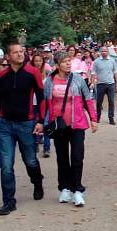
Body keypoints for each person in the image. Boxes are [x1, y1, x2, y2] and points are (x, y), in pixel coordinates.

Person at [0, 43, 46, 216]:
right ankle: (9, 201)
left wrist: (41, 121)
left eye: (22, 52)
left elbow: (41, 97)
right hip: (5, 124)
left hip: (26, 123)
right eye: (16, 52)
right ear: (8, 56)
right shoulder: (2, 75)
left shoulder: (32, 73)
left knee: (30, 160)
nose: (20, 54)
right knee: (6, 165)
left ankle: (37, 182)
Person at [42, 53, 98, 207]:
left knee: (77, 157)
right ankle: (65, 188)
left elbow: (88, 99)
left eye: (69, 61)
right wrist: (41, 122)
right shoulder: (49, 81)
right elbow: (44, 104)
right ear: (57, 65)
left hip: (77, 124)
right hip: (58, 125)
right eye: (64, 62)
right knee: (62, 158)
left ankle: (78, 190)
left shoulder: (78, 79)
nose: (68, 64)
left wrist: (93, 119)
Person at [30, 53, 52, 158]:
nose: (38, 63)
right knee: (34, 124)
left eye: (40, 61)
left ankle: (47, 148)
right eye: (36, 61)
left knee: (46, 124)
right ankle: (34, 145)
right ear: (33, 62)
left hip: (46, 103)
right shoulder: (29, 74)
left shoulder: (48, 74)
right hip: (33, 103)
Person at [91, 46, 117, 125]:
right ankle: (98, 117)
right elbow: (93, 73)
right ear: (100, 52)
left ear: (108, 52)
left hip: (110, 84)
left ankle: (111, 118)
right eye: (102, 51)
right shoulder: (96, 61)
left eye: (105, 51)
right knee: (99, 102)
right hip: (100, 84)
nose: (104, 52)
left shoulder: (112, 61)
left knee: (111, 102)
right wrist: (92, 83)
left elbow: (115, 72)